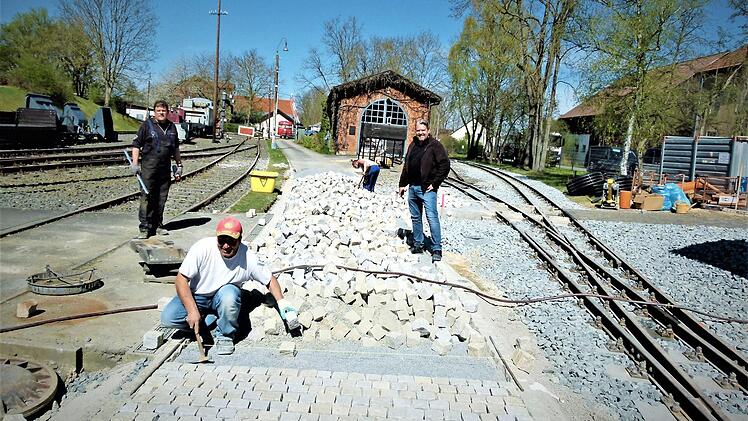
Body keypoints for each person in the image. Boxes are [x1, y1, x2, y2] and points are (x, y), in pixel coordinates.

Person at [160, 216, 298, 355]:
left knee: (229, 295)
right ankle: (210, 320)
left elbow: (270, 280)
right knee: (168, 318)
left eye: (231, 241)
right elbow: (181, 280)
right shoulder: (202, 248)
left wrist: (282, 302)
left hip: (225, 295)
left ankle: (225, 335)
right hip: (199, 295)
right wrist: (191, 310)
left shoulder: (248, 257)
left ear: (239, 240)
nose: (226, 246)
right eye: (222, 240)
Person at [398, 119, 450, 262]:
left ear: (428, 131)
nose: (420, 133)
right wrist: (402, 184)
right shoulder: (413, 145)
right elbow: (406, 165)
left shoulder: (435, 146)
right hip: (413, 188)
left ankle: (437, 248)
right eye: (418, 130)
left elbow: (445, 165)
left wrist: (435, 183)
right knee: (416, 217)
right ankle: (418, 244)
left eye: (423, 130)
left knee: (432, 218)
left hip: (427, 189)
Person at [131, 100, 183, 239]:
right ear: (155, 112)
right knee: (147, 197)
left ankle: (158, 225)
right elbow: (136, 145)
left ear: (168, 112)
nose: (161, 113)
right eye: (159, 110)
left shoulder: (172, 127)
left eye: (164, 110)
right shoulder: (146, 125)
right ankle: (144, 227)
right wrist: (135, 164)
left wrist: (179, 165)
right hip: (149, 167)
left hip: (164, 168)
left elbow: (176, 148)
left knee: (161, 198)